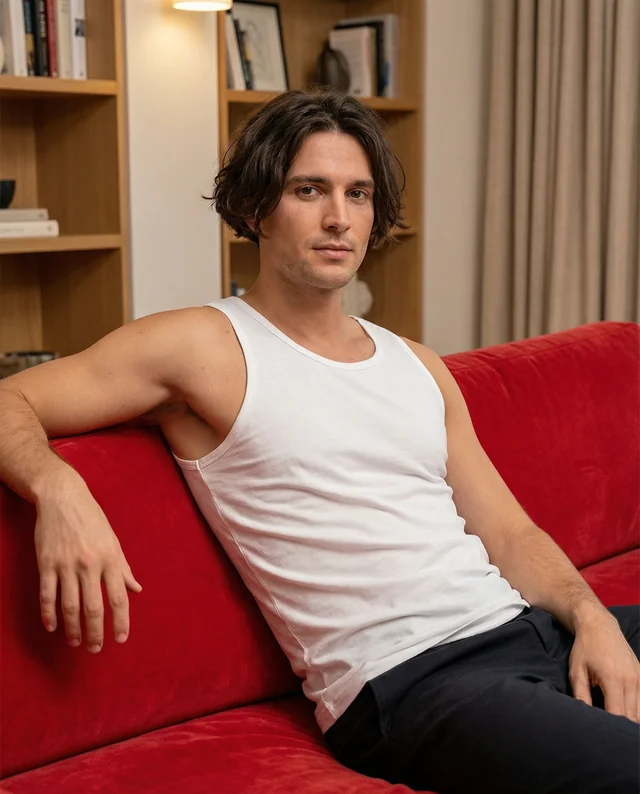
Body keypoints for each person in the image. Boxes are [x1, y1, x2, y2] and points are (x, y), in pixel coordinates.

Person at [0, 87, 638, 794]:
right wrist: (57, 486)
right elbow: (11, 399)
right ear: (255, 208)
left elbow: (510, 533)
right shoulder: (201, 347)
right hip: (411, 684)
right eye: (310, 189)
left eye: (358, 194)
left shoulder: (417, 364)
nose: (339, 218)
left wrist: (591, 619)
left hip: (524, 630)